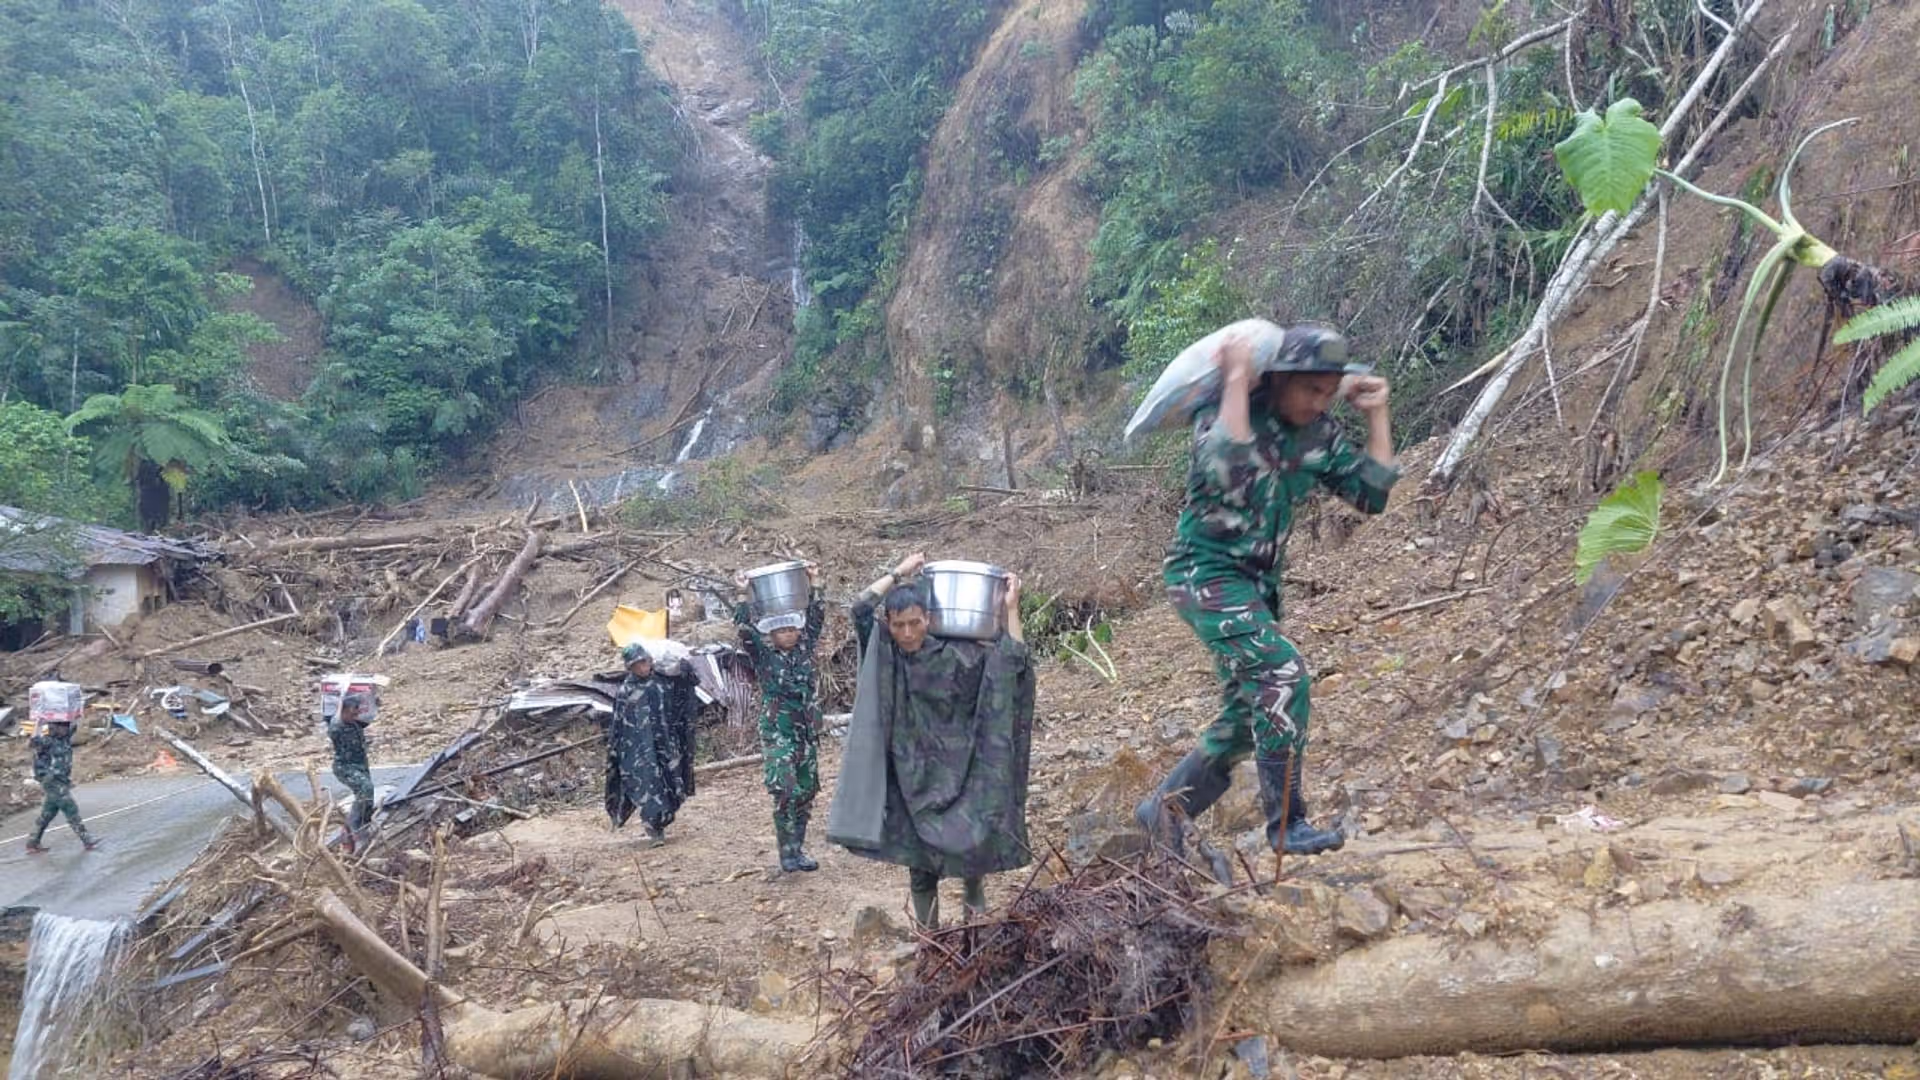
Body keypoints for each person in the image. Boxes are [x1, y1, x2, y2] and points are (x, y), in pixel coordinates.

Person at [1137, 326, 1398, 869]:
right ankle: (1287, 824)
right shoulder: (1225, 416)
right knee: (1283, 675)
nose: (1320, 402)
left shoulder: (1319, 435)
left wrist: (1376, 415)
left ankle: (1162, 812)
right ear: (1277, 380)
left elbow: (1370, 494)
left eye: (1329, 392)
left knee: (1243, 717)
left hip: (1257, 586)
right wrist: (1235, 376)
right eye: (1310, 390)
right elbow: (1225, 466)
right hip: (1202, 574)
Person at [828, 553, 1035, 929]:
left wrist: (1010, 609)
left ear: (930, 620)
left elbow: (1012, 663)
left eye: (915, 623)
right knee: (920, 869)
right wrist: (900, 572)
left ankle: (975, 937)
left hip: (962, 775)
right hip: (910, 780)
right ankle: (931, 945)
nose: (907, 633)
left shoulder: (959, 657)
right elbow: (860, 608)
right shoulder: (888, 657)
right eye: (898, 625)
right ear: (889, 626)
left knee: (974, 858)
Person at [733, 561, 828, 873]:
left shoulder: (803, 650)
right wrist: (743, 595)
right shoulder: (763, 656)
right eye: (782, 630)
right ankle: (786, 851)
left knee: (806, 791)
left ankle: (797, 849)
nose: (789, 634)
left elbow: (816, 618)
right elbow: (745, 630)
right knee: (783, 789)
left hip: (805, 731)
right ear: (771, 634)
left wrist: (815, 583)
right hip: (779, 732)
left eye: (792, 629)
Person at [605, 642, 701, 846]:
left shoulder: (663, 682)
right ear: (629, 667)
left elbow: (686, 690)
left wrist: (685, 672)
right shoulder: (626, 691)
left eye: (644, 662)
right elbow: (619, 726)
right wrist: (619, 752)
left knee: (672, 784)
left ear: (650, 660)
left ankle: (663, 819)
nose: (642, 667)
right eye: (636, 665)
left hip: (667, 744)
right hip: (640, 751)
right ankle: (654, 827)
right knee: (649, 786)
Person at [24, 719, 98, 854]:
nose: (65, 728)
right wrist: (39, 724)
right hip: (52, 780)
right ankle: (87, 840)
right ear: (54, 727)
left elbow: (75, 723)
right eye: (62, 726)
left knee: (48, 813)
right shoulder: (47, 741)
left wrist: (75, 708)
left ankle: (32, 843)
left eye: (66, 726)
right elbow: (33, 741)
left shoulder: (64, 739)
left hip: (62, 780)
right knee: (70, 808)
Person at [329, 692, 377, 852]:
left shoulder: (355, 724)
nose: (355, 714)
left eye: (357, 712)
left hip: (361, 765)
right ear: (343, 710)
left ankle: (363, 825)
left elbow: (367, 718)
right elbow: (332, 728)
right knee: (365, 789)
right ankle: (354, 828)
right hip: (345, 767)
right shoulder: (337, 726)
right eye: (352, 712)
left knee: (368, 796)